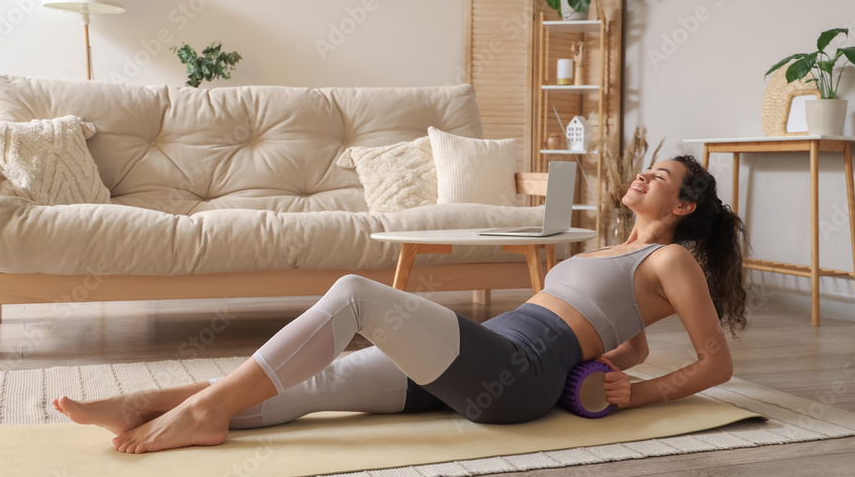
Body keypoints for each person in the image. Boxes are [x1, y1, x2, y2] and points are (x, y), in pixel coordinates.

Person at [54, 155, 749, 454]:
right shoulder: (609, 248)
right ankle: (149, 403)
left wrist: (646, 394)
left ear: (684, 205)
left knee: (356, 295)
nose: (643, 174)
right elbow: (621, 339)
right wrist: (617, 363)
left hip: (517, 370)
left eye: (661, 176)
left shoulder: (671, 258)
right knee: (317, 381)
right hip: (488, 353)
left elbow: (715, 362)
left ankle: (203, 411)